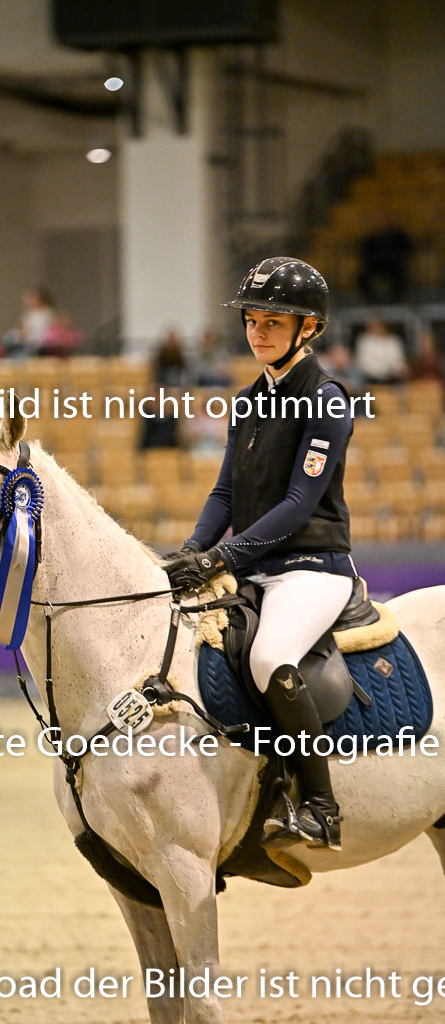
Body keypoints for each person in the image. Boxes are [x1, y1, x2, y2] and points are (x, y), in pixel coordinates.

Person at [164, 257, 357, 852]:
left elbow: (299, 505)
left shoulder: (326, 399)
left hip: (313, 568)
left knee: (270, 656)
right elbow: (224, 492)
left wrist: (222, 559)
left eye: (273, 322)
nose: (258, 332)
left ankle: (322, 807)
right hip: (254, 568)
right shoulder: (248, 401)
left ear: (309, 328)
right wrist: (192, 550)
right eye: (252, 320)